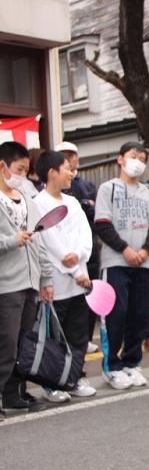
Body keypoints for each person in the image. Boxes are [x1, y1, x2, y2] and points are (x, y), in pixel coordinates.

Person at [94, 142, 149, 390]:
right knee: (116, 315)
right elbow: (102, 224)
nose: (138, 162)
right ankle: (112, 366)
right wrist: (127, 250)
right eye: (134, 156)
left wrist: (144, 251)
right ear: (120, 159)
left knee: (140, 314)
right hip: (116, 263)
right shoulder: (107, 189)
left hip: (144, 263)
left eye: (143, 158)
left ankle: (133, 363)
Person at [34, 150, 97, 401]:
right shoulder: (37, 203)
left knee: (78, 334)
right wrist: (73, 269)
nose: (72, 173)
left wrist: (80, 261)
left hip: (80, 281)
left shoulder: (72, 202)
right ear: (52, 172)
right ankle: (52, 383)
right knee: (55, 336)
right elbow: (49, 243)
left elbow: (86, 236)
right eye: (67, 168)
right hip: (56, 283)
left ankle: (74, 377)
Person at [0, 141, 52, 415]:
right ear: (2, 166)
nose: (23, 175)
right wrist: (12, 240)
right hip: (6, 284)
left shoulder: (28, 199)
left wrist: (46, 279)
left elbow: (39, 241)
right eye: (19, 169)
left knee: (23, 343)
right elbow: (12, 241)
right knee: (6, 343)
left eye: (26, 169)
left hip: (30, 281)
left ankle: (13, 394)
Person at [55, 141, 101, 354]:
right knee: (61, 320)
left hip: (84, 259)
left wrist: (80, 256)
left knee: (83, 307)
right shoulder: (41, 199)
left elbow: (91, 218)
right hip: (61, 269)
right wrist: (74, 268)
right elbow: (51, 239)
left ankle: (83, 347)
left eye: (71, 156)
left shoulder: (86, 184)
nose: (70, 161)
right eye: (64, 157)